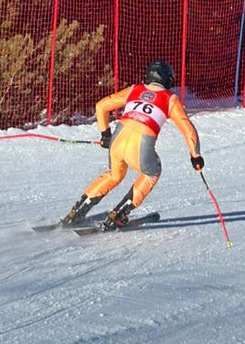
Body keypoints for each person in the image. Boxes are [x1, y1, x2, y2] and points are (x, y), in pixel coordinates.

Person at [60, 59, 204, 230]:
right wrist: (195, 156)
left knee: (114, 175)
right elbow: (188, 129)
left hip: (118, 140)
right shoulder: (170, 99)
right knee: (152, 173)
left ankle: (77, 212)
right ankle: (118, 215)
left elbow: (102, 106)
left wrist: (105, 134)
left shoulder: (135, 89)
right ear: (168, 80)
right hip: (140, 145)